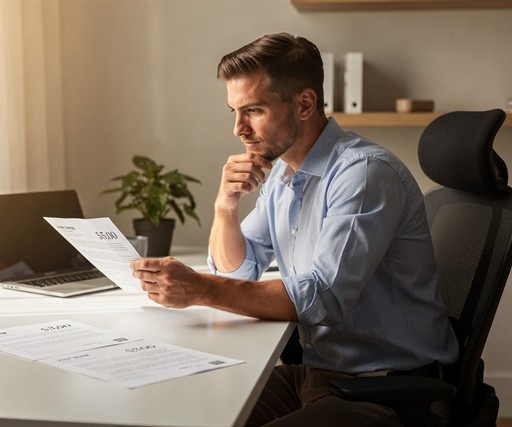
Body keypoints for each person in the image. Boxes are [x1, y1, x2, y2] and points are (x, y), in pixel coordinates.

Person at [131, 32, 458, 426]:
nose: (238, 128)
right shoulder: (286, 174)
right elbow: (238, 269)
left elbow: (321, 299)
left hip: (388, 391)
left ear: (304, 104)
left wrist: (199, 289)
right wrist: (225, 207)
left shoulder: (365, 174)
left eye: (252, 110)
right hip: (320, 374)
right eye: (233, 111)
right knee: (186, 409)